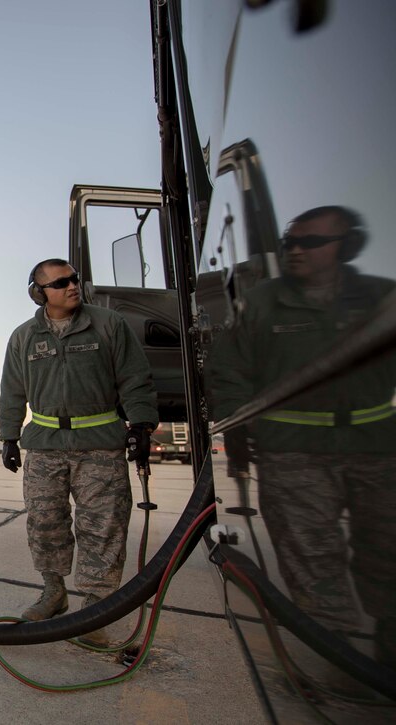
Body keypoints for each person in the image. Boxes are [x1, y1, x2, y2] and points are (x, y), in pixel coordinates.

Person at [210, 206, 396, 668]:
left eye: (310, 242)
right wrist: (234, 426)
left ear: (346, 247)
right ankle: (338, 654)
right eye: (290, 242)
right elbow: (229, 370)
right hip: (292, 452)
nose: (295, 250)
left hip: (376, 447)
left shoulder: (382, 297)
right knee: (311, 555)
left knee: (387, 550)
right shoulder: (260, 302)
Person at [0, 258, 158, 644]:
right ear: (39, 293)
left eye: (74, 279)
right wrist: (8, 436)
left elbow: (135, 378)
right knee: (45, 523)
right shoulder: (24, 337)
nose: (72, 286)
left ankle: (95, 610)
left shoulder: (107, 324)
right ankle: (54, 593)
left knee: (102, 528)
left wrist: (140, 425)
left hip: (99, 446)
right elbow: (13, 390)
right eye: (60, 283)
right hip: (45, 446)